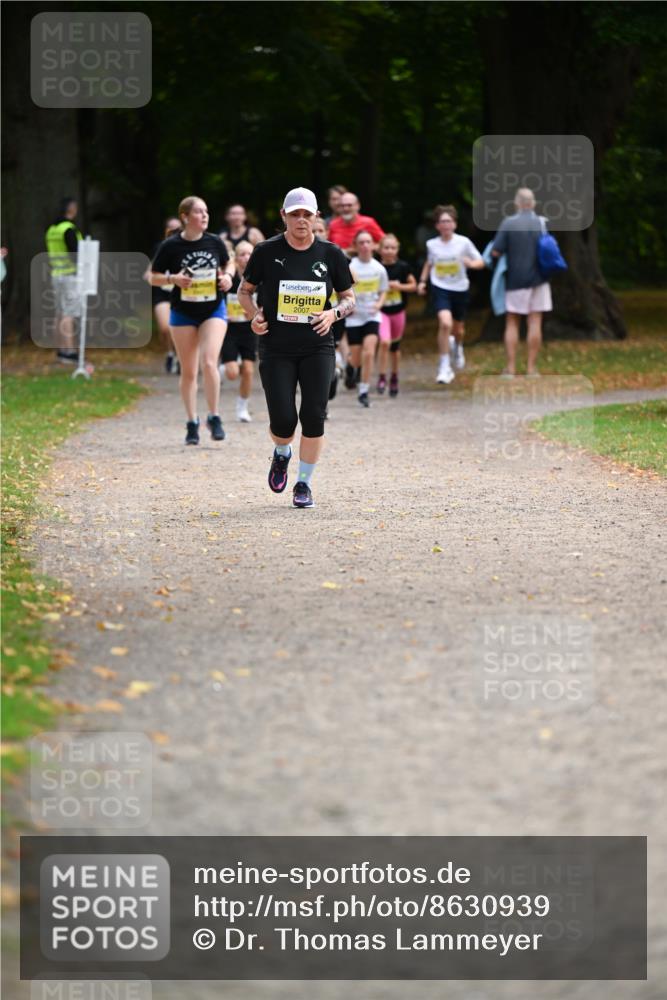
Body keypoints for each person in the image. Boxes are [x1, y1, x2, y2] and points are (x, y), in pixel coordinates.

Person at [237, 187, 355, 508]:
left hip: (318, 345)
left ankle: (303, 484)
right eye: (295, 214)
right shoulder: (265, 251)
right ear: (284, 217)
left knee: (314, 415)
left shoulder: (331, 254)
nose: (301, 220)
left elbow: (349, 299)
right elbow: (244, 291)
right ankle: (281, 452)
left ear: (317, 216)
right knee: (284, 421)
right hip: (276, 347)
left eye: (307, 214)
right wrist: (254, 316)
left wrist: (333, 314)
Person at [150, 196, 235, 445]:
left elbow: (228, 263)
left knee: (209, 362)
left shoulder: (214, 242)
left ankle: (214, 416)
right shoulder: (171, 246)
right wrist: (173, 279)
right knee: (189, 371)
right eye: (199, 212)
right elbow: (153, 277)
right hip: (183, 312)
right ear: (185, 217)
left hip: (213, 309)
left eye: (207, 211)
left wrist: (228, 277)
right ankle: (192, 421)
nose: (205, 216)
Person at [417, 205, 484, 384]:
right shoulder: (432, 244)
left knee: (458, 329)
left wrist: (471, 264)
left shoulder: (464, 243)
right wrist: (422, 282)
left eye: (449, 221)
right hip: (440, 287)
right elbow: (429, 264)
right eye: (442, 222)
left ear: (454, 224)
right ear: (437, 225)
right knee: (445, 323)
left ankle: (458, 346)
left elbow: (481, 262)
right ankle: (444, 366)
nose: (445, 225)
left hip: (460, 288)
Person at [491, 188, 552, 378]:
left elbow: (495, 252)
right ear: (532, 204)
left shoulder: (508, 223)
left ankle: (510, 369)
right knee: (535, 321)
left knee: (512, 322)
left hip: (516, 280)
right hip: (539, 280)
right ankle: (531, 369)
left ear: (517, 203)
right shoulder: (541, 223)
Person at [345, 230, 389, 408]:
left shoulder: (379, 268)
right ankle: (350, 366)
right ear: (355, 246)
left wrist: (379, 304)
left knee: (369, 352)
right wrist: (348, 304)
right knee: (356, 359)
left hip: (372, 315)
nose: (364, 246)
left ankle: (363, 390)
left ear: (373, 245)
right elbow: (341, 288)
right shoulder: (350, 266)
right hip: (354, 317)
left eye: (368, 242)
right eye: (361, 243)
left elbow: (384, 289)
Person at [220, 240, 257, 422]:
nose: (246, 258)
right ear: (235, 257)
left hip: (250, 330)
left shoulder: (259, 277)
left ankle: (242, 407)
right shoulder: (230, 278)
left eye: (249, 254)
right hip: (229, 330)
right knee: (233, 373)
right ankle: (222, 369)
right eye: (242, 254)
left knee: (249, 371)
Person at [377, 234, 416, 397]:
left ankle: (394, 376)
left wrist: (399, 286)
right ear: (380, 250)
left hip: (398, 312)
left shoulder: (403, 267)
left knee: (395, 347)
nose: (389, 251)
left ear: (397, 250)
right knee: (385, 342)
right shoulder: (376, 267)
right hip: (381, 312)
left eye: (393, 248)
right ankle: (382, 377)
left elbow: (413, 286)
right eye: (386, 247)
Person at [45, 197, 83, 364]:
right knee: (69, 313)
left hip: (56, 274)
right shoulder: (68, 229)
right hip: (70, 275)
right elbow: (75, 254)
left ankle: (60, 350)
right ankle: (70, 351)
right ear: (72, 209)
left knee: (59, 313)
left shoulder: (51, 230)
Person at [145, 217, 181, 374]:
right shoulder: (160, 247)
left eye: (177, 229)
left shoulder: (187, 247)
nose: (173, 232)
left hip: (181, 294)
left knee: (178, 328)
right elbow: (151, 267)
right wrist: (148, 275)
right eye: (170, 229)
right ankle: (170, 352)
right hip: (163, 292)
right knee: (165, 328)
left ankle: (180, 357)